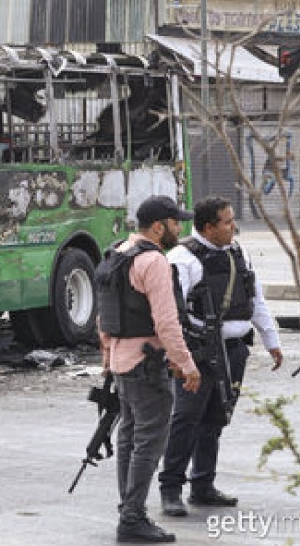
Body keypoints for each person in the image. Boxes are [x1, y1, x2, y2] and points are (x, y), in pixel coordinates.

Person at [158, 196, 284, 517]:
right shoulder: (182, 259)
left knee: (216, 417)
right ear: (208, 227)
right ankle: (171, 488)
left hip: (233, 350)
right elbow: (170, 312)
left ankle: (203, 485)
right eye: (227, 222)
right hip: (198, 351)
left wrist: (272, 340)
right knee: (186, 419)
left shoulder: (236, 253)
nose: (233, 227)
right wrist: (179, 357)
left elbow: (255, 299)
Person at [98, 195, 202, 543]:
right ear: (159, 227)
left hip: (123, 362)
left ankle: (129, 507)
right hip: (147, 364)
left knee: (129, 436)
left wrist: (107, 359)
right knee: (148, 443)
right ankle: (132, 518)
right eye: (175, 223)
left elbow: (105, 317)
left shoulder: (119, 253)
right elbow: (167, 323)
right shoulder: (153, 261)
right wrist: (187, 364)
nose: (180, 229)